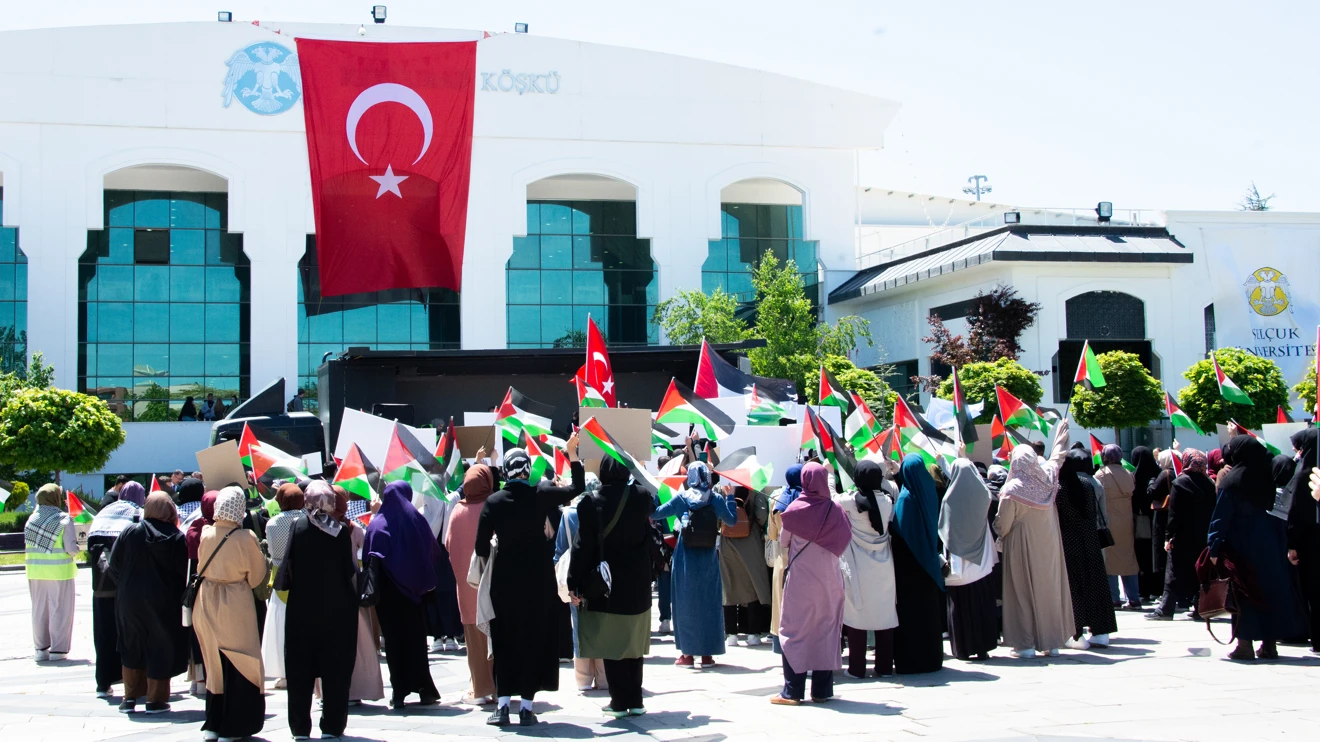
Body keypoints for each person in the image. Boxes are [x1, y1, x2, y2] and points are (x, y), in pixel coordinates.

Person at [476, 443, 586, 727]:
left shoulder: (494, 502)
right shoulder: (541, 494)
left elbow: (481, 548)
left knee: (505, 640)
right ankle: (526, 707)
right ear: (527, 470)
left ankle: (502, 706)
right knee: (532, 639)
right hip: (538, 581)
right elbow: (577, 487)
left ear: (506, 471)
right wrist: (572, 454)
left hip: (504, 582)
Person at [570, 456, 655, 717]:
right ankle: (636, 700)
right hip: (638, 582)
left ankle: (618, 702)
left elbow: (582, 547)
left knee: (612, 643)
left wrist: (574, 582)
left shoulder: (590, 502)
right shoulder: (641, 497)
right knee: (633, 643)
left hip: (606, 583)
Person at [1209, 434, 1304, 660]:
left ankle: (1244, 645)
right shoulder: (1266, 477)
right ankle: (1269, 645)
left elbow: (1220, 517)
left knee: (1244, 593)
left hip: (1241, 546)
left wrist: (1213, 546)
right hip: (1269, 544)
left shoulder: (1232, 481)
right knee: (1267, 592)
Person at [282, 481, 359, 739]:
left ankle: (300, 729)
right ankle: (332, 727)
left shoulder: (298, 526)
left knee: (299, 670)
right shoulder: (339, 530)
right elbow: (348, 570)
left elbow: (290, 565)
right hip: (336, 611)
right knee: (336, 670)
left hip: (301, 610)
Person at [995, 420, 1074, 659]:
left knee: (1021, 593)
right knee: (1048, 591)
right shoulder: (1047, 478)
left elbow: (1002, 525)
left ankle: (1025, 645)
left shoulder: (1012, 489)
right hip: (1049, 545)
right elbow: (1057, 457)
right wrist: (1062, 432)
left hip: (1021, 545)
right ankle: (1052, 642)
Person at [195, 486, 268, 740]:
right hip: (234, 602)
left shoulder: (206, 533)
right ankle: (234, 726)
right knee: (241, 662)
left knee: (214, 665)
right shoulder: (245, 537)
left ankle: (213, 724)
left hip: (205, 601)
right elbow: (256, 576)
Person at [773, 462, 849, 704]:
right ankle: (822, 690)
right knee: (826, 630)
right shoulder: (836, 509)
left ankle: (793, 691)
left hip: (801, 580)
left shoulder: (795, 508)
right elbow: (845, 538)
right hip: (830, 579)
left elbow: (783, 541)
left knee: (794, 630)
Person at [107, 492, 189, 714]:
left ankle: (130, 698)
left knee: (132, 644)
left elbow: (114, 565)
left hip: (129, 600)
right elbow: (183, 573)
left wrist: (127, 584)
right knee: (161, 646)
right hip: (164, 602)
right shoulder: (176, 537)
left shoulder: (131, 531)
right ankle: (155, 700)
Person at [652, 461, 738, 669]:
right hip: (708, 557)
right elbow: (732, 521)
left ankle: (687, 654)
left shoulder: (682, 498)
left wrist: (653, 494)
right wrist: (730, 497)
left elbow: (656, 514)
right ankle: (707, 654)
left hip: (685, 557)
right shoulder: (716, 499)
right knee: (709, 603)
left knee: (685, 604)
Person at [364, 481, 442, 709]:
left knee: (393, 642)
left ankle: (398, 692)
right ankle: (424, 689)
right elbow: (432, 550)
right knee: (416, 641)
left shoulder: (377, 524)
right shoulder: (416, 520)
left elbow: (369, 557)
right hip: (413, 595)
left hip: (387, 596)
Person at [834, 460, 898, 678]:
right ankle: (884, 667)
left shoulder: (851, 501)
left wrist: (830, 474)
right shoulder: (887, 501)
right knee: (884, 615)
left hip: (858, 564)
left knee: (857, 617)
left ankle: (857, 668)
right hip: (884, 563)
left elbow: (832, 498)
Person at [87, 480, 146, 697]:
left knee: (103, 633)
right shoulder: (138, 513)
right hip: (128, 585)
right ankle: (134, 683)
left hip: (101, 584)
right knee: (131, 633)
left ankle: (103, 683)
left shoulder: (103, 513)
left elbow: (90, 546)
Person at [445, 463, 498, 705]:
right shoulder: (494, 505)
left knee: (475, 641)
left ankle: (479, 688)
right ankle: (498, 687)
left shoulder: (457, 511)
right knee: (496, 636)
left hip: (467, 586)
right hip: (493, 586)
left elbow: (449, 545)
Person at [1056, 449, 1118, 649]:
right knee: (1095, 587)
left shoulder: (1058, 488)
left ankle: (1076, 634)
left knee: (1073, 589)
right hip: (1090, 541)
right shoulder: (1087, 484)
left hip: (1068, 544)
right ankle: (1101, 632)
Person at [891, 454, 946, 674]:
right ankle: (932, 659)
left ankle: (911, 661)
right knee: (928, 615)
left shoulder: (906, 499)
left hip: (909, 566)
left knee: (911, 616)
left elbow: (900, 530)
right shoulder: (928, 490)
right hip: (928, 563)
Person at [328, 486, 384, 704]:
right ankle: (356, 689)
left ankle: (331, 690)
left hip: (327, 588)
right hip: (351, 585)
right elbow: (369, 549)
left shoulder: (316, 527)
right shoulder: (353, 528)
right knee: (358, 638)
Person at [941, 458, 999, 661]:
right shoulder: (984, 495)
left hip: (960, 562)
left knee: (961, 607)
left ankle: (963, 649)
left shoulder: (949, 499)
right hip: (981, 560)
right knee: (981, 605)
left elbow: (944, 529)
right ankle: (983, 648)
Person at [1148, 450, 1216, 620]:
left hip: (1182, 535)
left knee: (1173, 572)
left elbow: (1174, 514)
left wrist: (1168, 536)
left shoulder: (1180, 483)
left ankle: (1166, 609)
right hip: (1203, 536)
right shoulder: (1209, 483)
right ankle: (1200, 609)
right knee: (1200, 572)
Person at [25, 484, 79, 663]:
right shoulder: (64, 519)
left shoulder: (31, 519)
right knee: (60, 610)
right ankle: (58, 650)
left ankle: (40, 650)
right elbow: (71, 548)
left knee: (39, 610)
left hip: (35, 572)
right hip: (60, 571)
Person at [261, 483, 304, 690]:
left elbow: (270, 551)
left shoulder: (272, 523)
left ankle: (284, 673)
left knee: (280, 625)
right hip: (303, 576)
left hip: (280, 576)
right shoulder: (306, 520)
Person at [1285, 428, 1320, 651]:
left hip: (1309, 543)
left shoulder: (1303, 475)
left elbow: (1295, 514)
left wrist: (1292, 545)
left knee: (1313, 590)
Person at [1095, 444, 1141, 610]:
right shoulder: (1129, 474)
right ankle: (1134, 598)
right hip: (1127, 522)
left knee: (1110, 560)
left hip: (1109, 521)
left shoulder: (1101, 474)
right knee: (1128, 558)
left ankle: (1114, 598)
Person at [184, 490, 218, 695]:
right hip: (217, 587)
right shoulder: (222, 529)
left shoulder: (195, 527)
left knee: (197, 634)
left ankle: (197, 679)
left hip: (196, 587)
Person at [768, 463, 804, 652]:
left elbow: (772, 534)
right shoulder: (809, 500)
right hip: (805, 561)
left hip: (782, 559)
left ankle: (781, 645)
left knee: (781, 605)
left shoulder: (776, 499)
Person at [1129, 446, 1161, 599]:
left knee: (1141, 555)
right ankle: (1157, 589)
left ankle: (1144, 590)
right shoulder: (1159, 474)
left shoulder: (1134, 477)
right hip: (1157, 521)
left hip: (1140, 522)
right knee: (1155, 555)